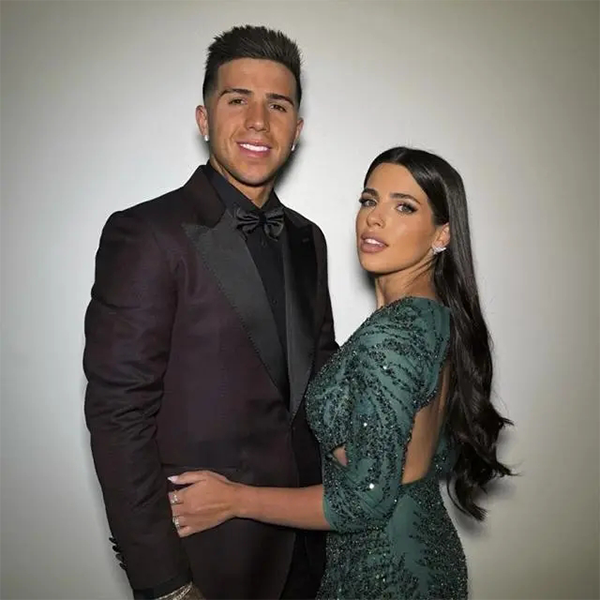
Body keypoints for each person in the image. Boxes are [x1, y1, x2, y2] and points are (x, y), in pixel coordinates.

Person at [167, 147, 513, 599]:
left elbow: (364, 501)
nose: (375, 218)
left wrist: (234, 499)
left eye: (404, 207)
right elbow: (418, 454)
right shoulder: (434, 318)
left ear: (442, 233)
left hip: (385, 571)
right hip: (422, 549)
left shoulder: (394, 333)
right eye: (369, 200)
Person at [83, 25, 337, 600]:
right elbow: (118, 417)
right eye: (237, 99)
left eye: (278, 105)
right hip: (205, 560)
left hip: (310, 550)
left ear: (296, 131)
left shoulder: (309, 239)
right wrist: (167, 584)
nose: (258, 121)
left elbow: (322, 379)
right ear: (204, 119)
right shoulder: (146, 234)